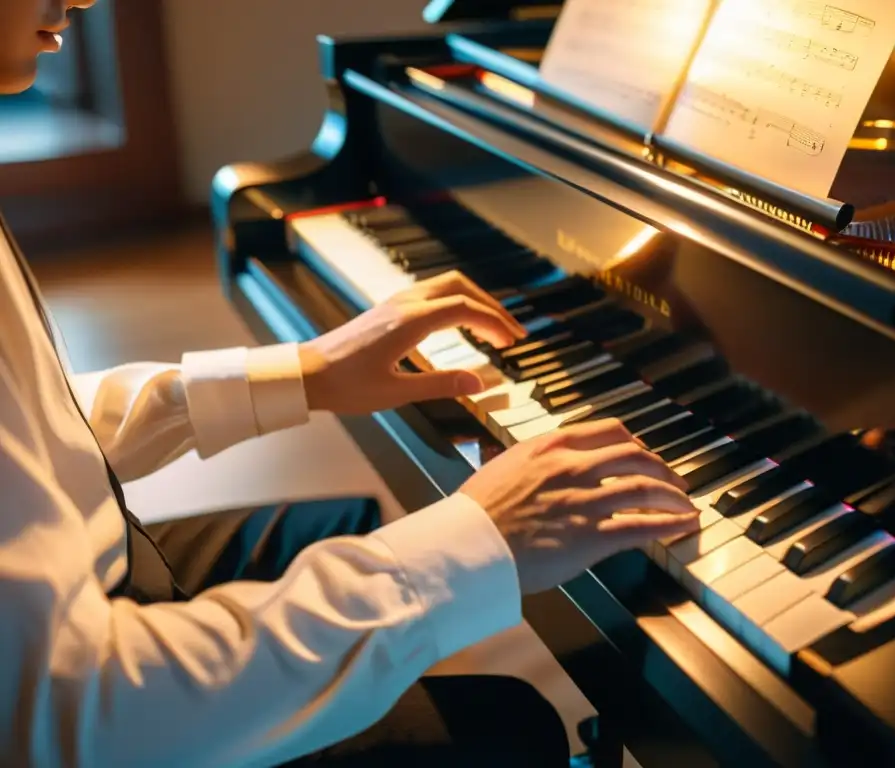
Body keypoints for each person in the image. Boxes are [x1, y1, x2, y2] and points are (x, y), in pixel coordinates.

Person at [0, 2, 700, 766]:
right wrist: (475, 539)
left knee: (354, 525)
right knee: (508, 726)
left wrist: (305, 372)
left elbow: (33, 431)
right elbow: (79, 717)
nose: (80, 1)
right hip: (91, 698)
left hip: (87, 567)